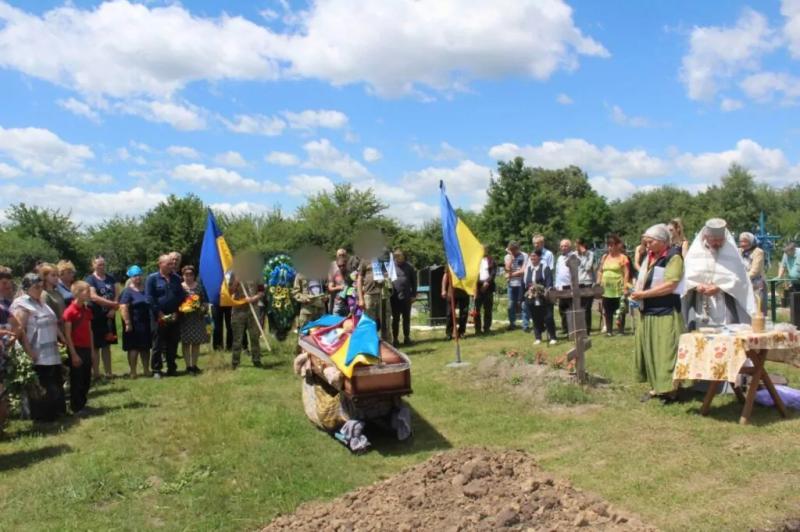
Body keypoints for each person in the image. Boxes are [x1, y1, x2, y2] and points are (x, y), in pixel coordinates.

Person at [630, 224, 685, 404]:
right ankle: (656, 387)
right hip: (648, 311)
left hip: (666, 312)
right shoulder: (650, 256)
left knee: (666, 352)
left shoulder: (673, 257)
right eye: (645, 241)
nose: (646, 244)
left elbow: (671, 285)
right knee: (651, 352)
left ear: (662, 241)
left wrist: (643, 294)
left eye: (650, 241)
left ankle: (671, 391)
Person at [11, 273, 66, 421]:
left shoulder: (41, 302)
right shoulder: (22, 304)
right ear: (27, 287)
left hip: (51, 351)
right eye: (36, 287)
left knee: (55, 382)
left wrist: (61, 338)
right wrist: (29, 352)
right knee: (42, 385)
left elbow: (52, 321)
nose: (40, 289)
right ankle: (43, 417)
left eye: (41, 286)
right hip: (37, 352)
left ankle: (56, 412)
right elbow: (20, 330)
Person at [682, 218, 754, 330]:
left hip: (725, 304)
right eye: (714, 240)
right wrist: (696, 286)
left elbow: (741, 280)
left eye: (720, 240)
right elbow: (686, 278)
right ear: (705, 237)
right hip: (701, 304)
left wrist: (719, 287)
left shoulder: (732, 254)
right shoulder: (695, 253)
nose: (717, 243)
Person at [145, 254, 186, 378]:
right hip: (158, 316)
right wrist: (159, 312)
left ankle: (171, 367)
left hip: (174, 315)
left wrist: (177, 312)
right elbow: (149, 298)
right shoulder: (152, 279)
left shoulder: (176, 278)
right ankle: (157, 369)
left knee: (172, 342)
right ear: (160, 264)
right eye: (168, 264)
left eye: (172, 264)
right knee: (157, 343)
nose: (172, 266)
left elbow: (181, 296)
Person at [85, 255, 119, 379]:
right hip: (96, 316)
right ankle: (96, 373)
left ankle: (109, 372)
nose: (102, 266)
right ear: (93, 265)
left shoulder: (111, 278)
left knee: (107, 345)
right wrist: (113, 305)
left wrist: (113, 309)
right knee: (96, 346)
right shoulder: (90, 279)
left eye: (103, 264)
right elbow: (93, 296)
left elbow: (117, 292)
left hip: (109, 316)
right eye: (99, 264)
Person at [62, 280, 94, 414]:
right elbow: (67, 334)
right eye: (87, 291)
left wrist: (92, 351)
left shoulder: (87, 310)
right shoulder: (69, 311)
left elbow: (90, 330)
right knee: (77, 379)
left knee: (86, 377)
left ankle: (83, 403)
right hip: (76, 348)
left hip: (87, 348)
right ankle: (76, 407)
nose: (89, 293)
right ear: (78, 293)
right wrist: (73, 354)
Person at [119, 265, 152, 378]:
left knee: (146, 348)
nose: (138, 278)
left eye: (139, 275)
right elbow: (123, 307)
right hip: (133, 323)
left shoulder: (146, 289)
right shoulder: (127, 291)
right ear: (131, 278)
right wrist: (127, 323)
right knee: (133, 348)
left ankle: (147, 370)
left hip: (145, 323)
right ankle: (133, 371)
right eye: (135, 276)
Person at [597, 234, 631, 336]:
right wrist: (598, 282)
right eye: (608, 245)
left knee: (620, 309)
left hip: (618, 287)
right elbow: (600, 271)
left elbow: (626, 273)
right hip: (606, 289)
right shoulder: (605, 257)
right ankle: (609, 331)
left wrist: (625, 287)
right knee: (607, 310)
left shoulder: (623, 258)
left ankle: (620, 330)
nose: (609, 247)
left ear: (617, 245)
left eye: (612, 245)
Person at [179, 265, 209, 375]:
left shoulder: (200, 287)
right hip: (184, 319)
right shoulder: (180, 287)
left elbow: (205, 301)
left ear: (194, 275)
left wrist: (202, 308)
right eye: (186, 274)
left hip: (197, 318)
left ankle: (194, 365)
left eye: (190, 274)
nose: (188, 277)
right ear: (183, 275)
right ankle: (188, 366)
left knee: (196, 343)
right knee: (186, 343)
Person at [230, 272, 263, 369]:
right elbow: (230, 291)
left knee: (254, 336)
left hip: (253, 309)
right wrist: (236, 281)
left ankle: (256, 360)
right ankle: (235, 362)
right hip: (238, 309)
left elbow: (261, 292)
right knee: (237, 338)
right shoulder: (233, 274)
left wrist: (253, 298)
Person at [524, 250, 556, 345]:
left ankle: (552, 337)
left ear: (539, 257)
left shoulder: (545, 268)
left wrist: (541, 290)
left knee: (548, 317)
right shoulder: (528, 268)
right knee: (535, 317)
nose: (532, 258)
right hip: (531, 297)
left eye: (534, 256)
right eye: (531, 256)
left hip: (544, 297)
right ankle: (538, 337)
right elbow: (526, 283)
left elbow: (549, 283)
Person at [356, 254, 390, 340]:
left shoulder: (386, 258)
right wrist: (360, 298)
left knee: (386, 321)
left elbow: (391, 274)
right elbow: (359, 279)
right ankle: (370, 344)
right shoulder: (365, 260)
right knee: (370, 322)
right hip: (369, 295)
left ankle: (388, 345)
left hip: (384, 295)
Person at [389, 249, 417, 346]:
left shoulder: (409, 267)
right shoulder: (391, 266)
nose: (397, 257)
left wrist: (414, 295)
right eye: (395, 255)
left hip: (406, 296)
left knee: (406, 318)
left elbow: (414, 282)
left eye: (399, 255)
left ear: (404, 256)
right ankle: (395, 339)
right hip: (394, 297)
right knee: (395, 319)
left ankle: (406, 338)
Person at [739, 232, 767, 315]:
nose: (743, 244)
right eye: (741, 241)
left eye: (745, 241)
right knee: (745, 310)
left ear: (751, 241)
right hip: (743, 284)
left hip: (757, 285)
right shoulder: (739, 251)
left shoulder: (758, 252)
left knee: (758, 310)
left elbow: (755, 271)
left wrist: (741, 279)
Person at [474, 246, 497, 335]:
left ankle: (487, 328)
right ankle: (478, 329)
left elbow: (493, 273)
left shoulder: (491, 260)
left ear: (487, 250)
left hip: (488, 287)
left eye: (484, 250)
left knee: (488, 309)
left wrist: (487, 283)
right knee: (476, 309)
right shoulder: (475, 261)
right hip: (477, 287)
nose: (483, 251)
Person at [554, 239, 575, 335]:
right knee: (562, 308)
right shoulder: (559, 258)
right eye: (561, 246)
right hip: (561, 286)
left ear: (569, 246)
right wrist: (557, 285)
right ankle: (565, 328)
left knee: (570, 309)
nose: (563, 248)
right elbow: (558, 272)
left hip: (570, 286)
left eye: (565, 246)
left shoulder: (573, 256)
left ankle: (572, 329)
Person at [575, 238, 596, 334]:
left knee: (587, 307)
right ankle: (580, 327)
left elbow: (588, 267)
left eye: (579, 245)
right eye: (576, 245)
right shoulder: (574, 255)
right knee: (579, 306)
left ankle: (587, 328)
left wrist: (584, 255)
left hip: (587, 282)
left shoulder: (590, 254)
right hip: (577, 282)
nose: (577, 247)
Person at [504, 241, 526, 330]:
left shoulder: (524, 256)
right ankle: (512, 324)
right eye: (510, 250)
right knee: (511, 304)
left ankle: (525, 324)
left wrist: (511, 275)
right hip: (511, 284)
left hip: (521, 283)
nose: (512, 252)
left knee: (522, 304)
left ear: (518, 249)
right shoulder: (507, 257)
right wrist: (512, 258)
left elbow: (523, 271)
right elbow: (507, 269)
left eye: (514, 250)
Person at [442, 269, 469, 340]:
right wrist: (443, 289)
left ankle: (461, 332)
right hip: (452, 292)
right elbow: (446, 275)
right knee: (450, 313)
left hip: (464, 292)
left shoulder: (467, 262)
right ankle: (449, 333)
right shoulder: (451, 260)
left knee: (464, 313)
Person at [40, 263, 66, 334]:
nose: (56, 278)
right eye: (53, 275)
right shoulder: (44, 294)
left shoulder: (57, 292)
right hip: (54, 333)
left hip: (64, 329)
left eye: (57, 275)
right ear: (45, 277)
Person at [328, 249, 355, 316]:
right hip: (336, 302)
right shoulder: (332, 266)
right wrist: (340, 287)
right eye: (339, 255)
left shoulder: (351, 266)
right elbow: (330, 287)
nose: (341, 256)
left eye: (343, 255)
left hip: (348, 303)